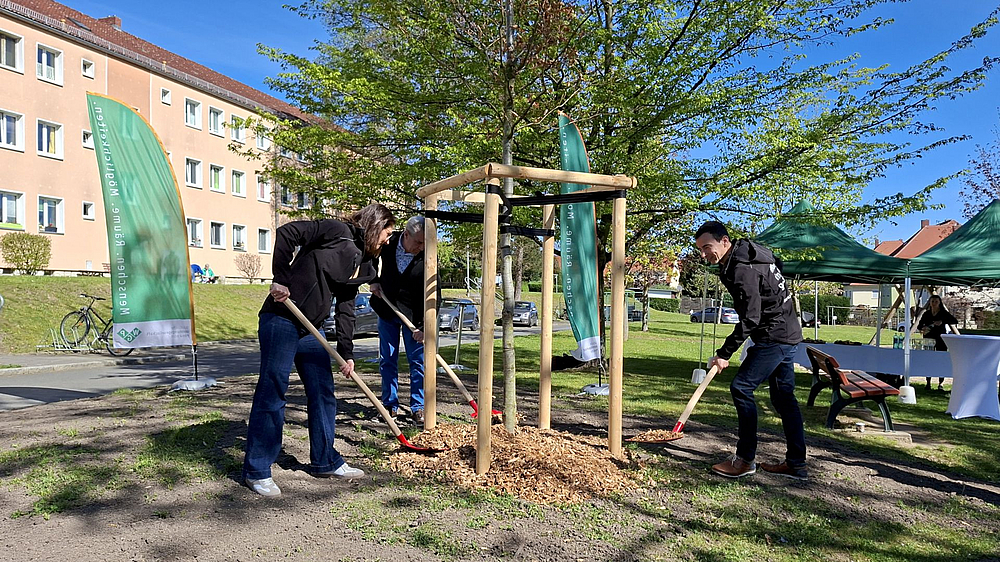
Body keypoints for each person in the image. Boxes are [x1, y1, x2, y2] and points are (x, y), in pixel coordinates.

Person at [241, 203, 396, 497]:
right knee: (273, 389)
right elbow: (287, 232)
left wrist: (347, 352)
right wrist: (281, 279)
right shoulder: (336, 231)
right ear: (375, 225)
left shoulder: (365, 264)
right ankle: (257, 470)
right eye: (386, 234)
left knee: (323, 392)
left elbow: (347, 308)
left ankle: (325, 460)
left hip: (312, 330)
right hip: (282, 318)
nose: (387, 241)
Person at [695, 221, 807, 480]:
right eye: (700, 249)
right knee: (783, 398)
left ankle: (745, 459)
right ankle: (796, 464)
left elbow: (751, 318)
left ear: (725, 241)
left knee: (741, 388)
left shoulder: (742, 268)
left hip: (774, 335)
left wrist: (724, 353)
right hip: (788, 331)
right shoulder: (752, 253)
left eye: (707, 247)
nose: (703, 254)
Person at [369, 216, 427, 424]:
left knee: (418, 361)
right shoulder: (388, 243)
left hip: (414, 316)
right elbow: (371, 258)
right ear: (406, 235)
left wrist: (424, 327)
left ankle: (418, 407)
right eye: (418, 242)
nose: (421, 247)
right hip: (387, 308)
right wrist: (374, 280)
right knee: (388, 359)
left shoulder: (429, 255)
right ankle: (390, 405)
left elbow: (434, 294)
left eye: (425, 243)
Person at [917, 294, 960, 391]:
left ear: (939, 303)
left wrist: (942, 321)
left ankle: (940, 383)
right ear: (930, 303)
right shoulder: (927, 314)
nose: (934, 303)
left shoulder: (943, 313)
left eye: (936, 301)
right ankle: (928, 382)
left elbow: (954, 320)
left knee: (941, 359)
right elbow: (919, 325)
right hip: (929, 339)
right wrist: (923, 328)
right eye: (932, 301)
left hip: (940, 339)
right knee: (929, 360)